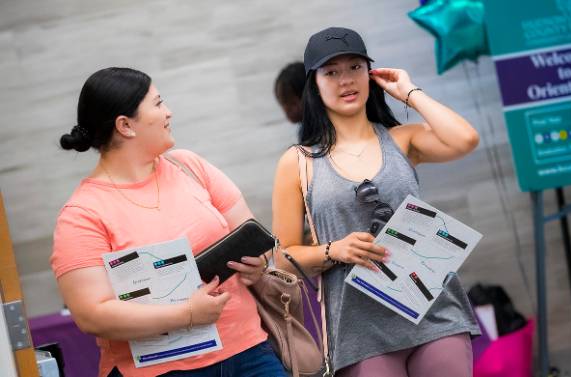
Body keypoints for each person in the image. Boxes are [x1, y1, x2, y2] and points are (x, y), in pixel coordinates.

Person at [272, 27, 481, 377]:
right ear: (315, 84)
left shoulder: (403, 140)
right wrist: (333, 250)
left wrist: (410, 92)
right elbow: (282, 257)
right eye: (331, 72)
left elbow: (466, 139)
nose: (345, 80)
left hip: (433, 313)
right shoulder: (297, 162)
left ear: (370, 74)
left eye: (355, 67)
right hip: (360, 331)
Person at [52, 67, 287, 377]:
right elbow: (91, 315)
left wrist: (256, 265)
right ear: (126, 125)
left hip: (248, 353)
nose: (169, 112)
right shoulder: (82, 214)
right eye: (159, 103)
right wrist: (185, 315)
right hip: (160, 370)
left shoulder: (189, 166)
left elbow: (250, 233)